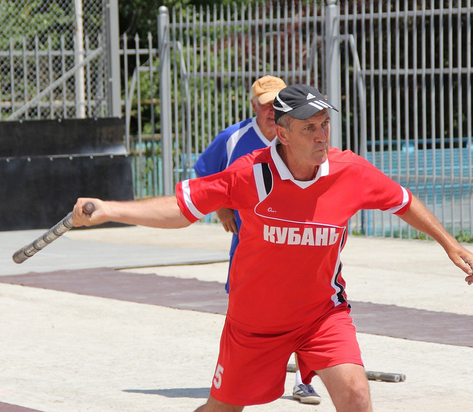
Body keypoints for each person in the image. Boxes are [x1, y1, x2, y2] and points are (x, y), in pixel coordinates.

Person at [72, 84, 473, 412]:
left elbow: (401, 200)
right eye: (308, 128)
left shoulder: (351, 171)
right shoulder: (249, 174)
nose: (321, 136)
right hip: (255, 323)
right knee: (222, 410)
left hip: (322, 314)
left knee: (355, 396)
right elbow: (182, 207)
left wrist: (450, 244)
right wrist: (110, 209)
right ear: (282, 133)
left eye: (324, 125)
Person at [193, 75, 320, 405]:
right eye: (265, 105)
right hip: (250, 243)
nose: (270, 111)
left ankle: (304, 380)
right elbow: (206, 173)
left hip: (296, 238)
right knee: (245, 306)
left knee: (305, 304)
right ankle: (236, 379)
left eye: (276, 104)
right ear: (254, 106)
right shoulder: (233, 138)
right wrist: (222, 207)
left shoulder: (297, 134)